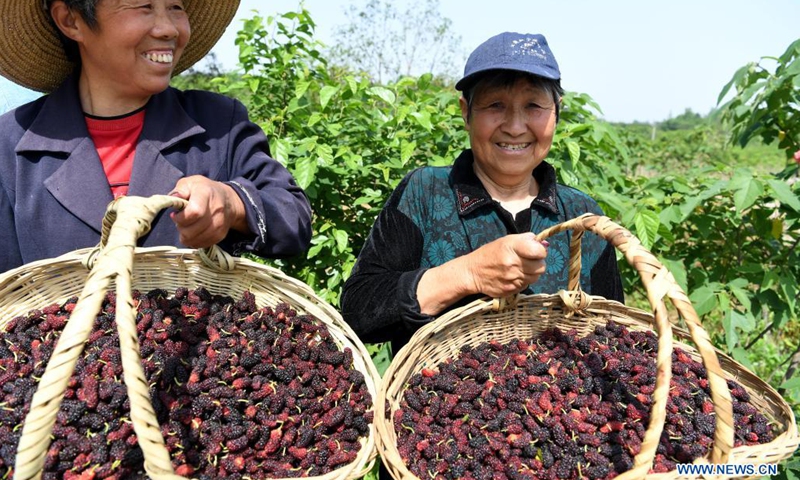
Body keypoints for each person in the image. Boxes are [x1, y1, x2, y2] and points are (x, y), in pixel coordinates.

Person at [341, 32, 624, 354]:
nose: (515, 127)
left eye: (534, 105)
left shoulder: (581, 216)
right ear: (466, 111)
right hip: (436, 399)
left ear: (557, 111)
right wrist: (466, 273)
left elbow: (613, 338)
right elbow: (358, 312)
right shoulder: (425, 193)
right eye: (495, 105)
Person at [0, 0, 312, 274]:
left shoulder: (217, 124)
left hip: (193, 340)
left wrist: (233, 203)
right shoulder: (10, 146)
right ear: (71, 20)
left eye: (176, 7)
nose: (167, 29)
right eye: (143, 6)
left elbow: (293, 216)